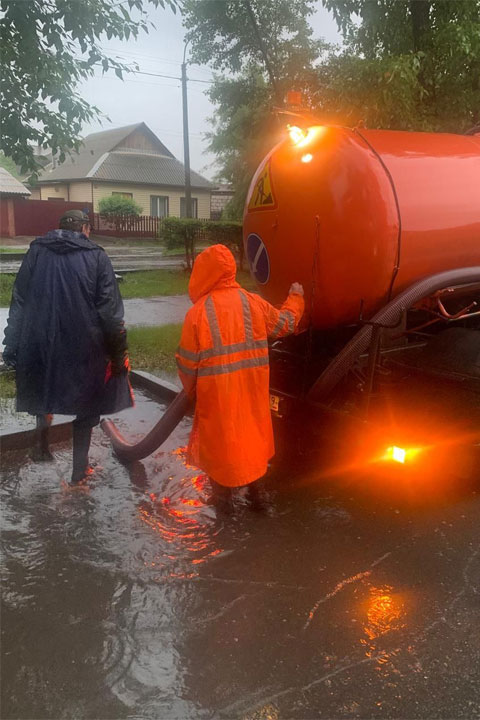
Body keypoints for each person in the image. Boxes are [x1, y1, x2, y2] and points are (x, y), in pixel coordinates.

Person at [3, 209, 133, 483]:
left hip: (38, 341)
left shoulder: (37, 252)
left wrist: (11, 345)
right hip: (84, 347)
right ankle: (79, 471)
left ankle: (41, 443)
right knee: (88, 405)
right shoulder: (96, 256)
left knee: (43, 386)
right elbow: (110, 313)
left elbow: (20, 301)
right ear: (85, 228)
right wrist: (118, 356)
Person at [175, 244, 304, 509]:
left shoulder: (197, 314)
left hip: (217, 400)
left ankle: (224, 508)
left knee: (221, 451)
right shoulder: (252, 302)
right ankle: (257, 498)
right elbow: (286, 324)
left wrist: (193, 394)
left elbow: (187, 367)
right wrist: (296, 297)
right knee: (251, 442)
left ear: (203, 273)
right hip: (252, 394)